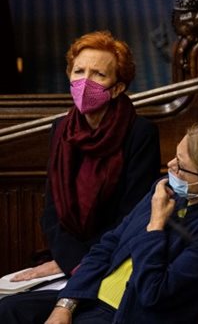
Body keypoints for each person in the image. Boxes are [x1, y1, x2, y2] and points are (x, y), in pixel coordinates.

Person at [0, 123, 198, 323]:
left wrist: (155, 225)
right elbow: (107, 246)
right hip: (90, 296)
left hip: (125, 314)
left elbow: (154, 294)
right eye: (175, 157)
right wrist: (65, 304)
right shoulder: (164, 189)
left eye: (182, 167)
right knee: (8, 310)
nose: (170, 167)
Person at [6, 32, 159, 287]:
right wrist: (69, 261)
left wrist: (82, 262)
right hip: (65, 259)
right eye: (79, 71)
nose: (85, 82)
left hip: (113, 258)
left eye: (99, 74)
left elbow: (131, 215)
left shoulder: (140, 133)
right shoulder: (61, 128)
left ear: (117, 87)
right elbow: (51, 209)